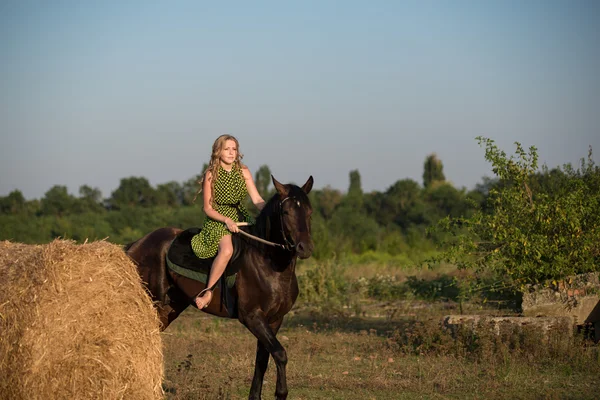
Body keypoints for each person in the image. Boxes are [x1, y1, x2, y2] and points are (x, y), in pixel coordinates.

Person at [190, 134, 265, 309]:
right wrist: (226, 220)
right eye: (227, 149)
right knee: (227, 250)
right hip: (218, 219)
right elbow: (208, 208)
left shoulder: (244, 171)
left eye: (234, 149)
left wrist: (272, 212)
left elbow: (256, 199)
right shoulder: (211, 175)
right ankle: (208, 292)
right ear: (218, 151)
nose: (231, 153)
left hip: (241, 216)